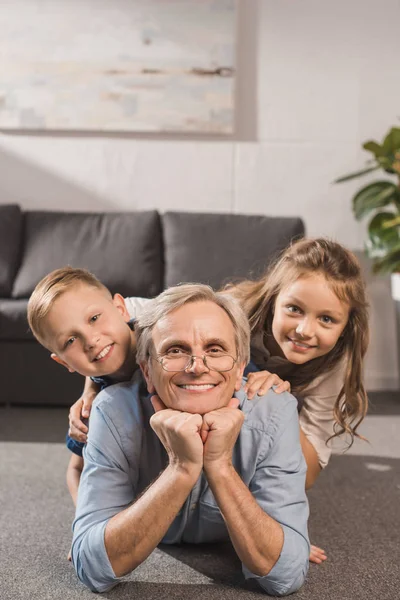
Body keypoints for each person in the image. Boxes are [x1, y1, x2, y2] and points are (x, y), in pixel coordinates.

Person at [67, 237, 370, 565]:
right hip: (201, 389)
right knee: (86, 451)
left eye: (327, 319)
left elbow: (307, 474)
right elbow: (114, 328)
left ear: (345, 328)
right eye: (294, 309)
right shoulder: (228, 309)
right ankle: (91, 520)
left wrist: (277, 409)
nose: (305, 330)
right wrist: (93, 388)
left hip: (262, 412)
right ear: (273, 299)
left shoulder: (334, 368)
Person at [70, 283, 310, 594]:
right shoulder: (112, 411)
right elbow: (91, 569)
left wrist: (219, 465)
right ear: (146, 371)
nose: (197, 367)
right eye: (175, 350)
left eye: (215, 349)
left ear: (240, 370)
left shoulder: (275, 411)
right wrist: (181, 468)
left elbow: (286, 576)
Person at [27, 267, 140, 510]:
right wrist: (86, 522)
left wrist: (244, 372)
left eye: (94, 319)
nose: (90, 341)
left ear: (120, 309)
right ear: (63, 362)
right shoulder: (91, 408)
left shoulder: (166, 336)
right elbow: (75, 469)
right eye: (70, 341)